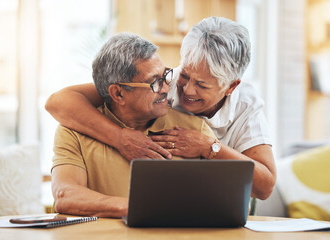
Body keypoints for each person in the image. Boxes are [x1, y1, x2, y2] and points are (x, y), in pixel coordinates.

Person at [46, 17, 276, 200]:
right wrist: (121, 137)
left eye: (203, 85)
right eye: (184, 75)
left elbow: (264, 187)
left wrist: (209, 148)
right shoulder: (163, 79)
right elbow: (60, 102)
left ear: (231, 87)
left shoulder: (244, 105)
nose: (186, 90)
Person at [51, 33, 217, 218]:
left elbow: (223, 201)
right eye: (154, 82)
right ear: (118, 94)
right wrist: (142, 207)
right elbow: (66, 196)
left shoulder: (195, 130)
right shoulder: (73, 132)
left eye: (165, 76)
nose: (165, 89)